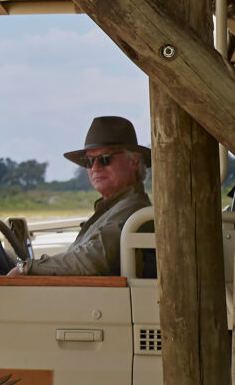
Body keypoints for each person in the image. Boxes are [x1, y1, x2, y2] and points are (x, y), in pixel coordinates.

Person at [15, 115, 152, 277]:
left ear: (133, 162)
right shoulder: (114, 208)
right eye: (89, 161)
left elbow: (92, 259)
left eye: (104, 159)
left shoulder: (132, 209)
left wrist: (26, 268)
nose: (95, 167)